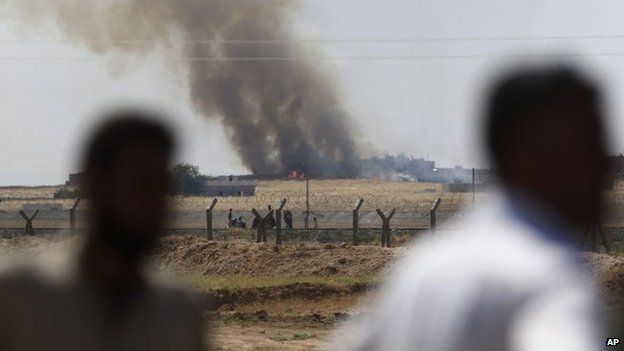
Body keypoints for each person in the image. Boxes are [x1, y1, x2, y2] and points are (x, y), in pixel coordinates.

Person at [338, 66, 607, 351]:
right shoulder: (546, 275)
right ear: (525, 155)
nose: (605, 163)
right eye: (589, 144)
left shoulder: (420, 269)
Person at [0, 111, 207, 350]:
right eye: (141, 185)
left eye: (163, 189)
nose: (156, 205)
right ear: (95, 183)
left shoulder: (179, 313)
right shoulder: (19, 298)